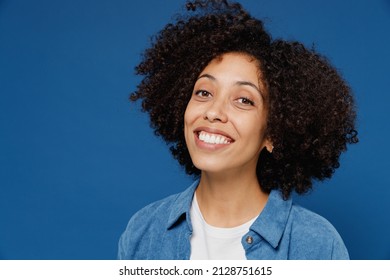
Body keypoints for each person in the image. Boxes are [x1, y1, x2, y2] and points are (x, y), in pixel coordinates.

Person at [118, 0, 358, 260]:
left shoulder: (318, 245)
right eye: (204, 92)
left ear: (273, 133)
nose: (213, 111)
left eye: (244, 100)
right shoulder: (143, 231)